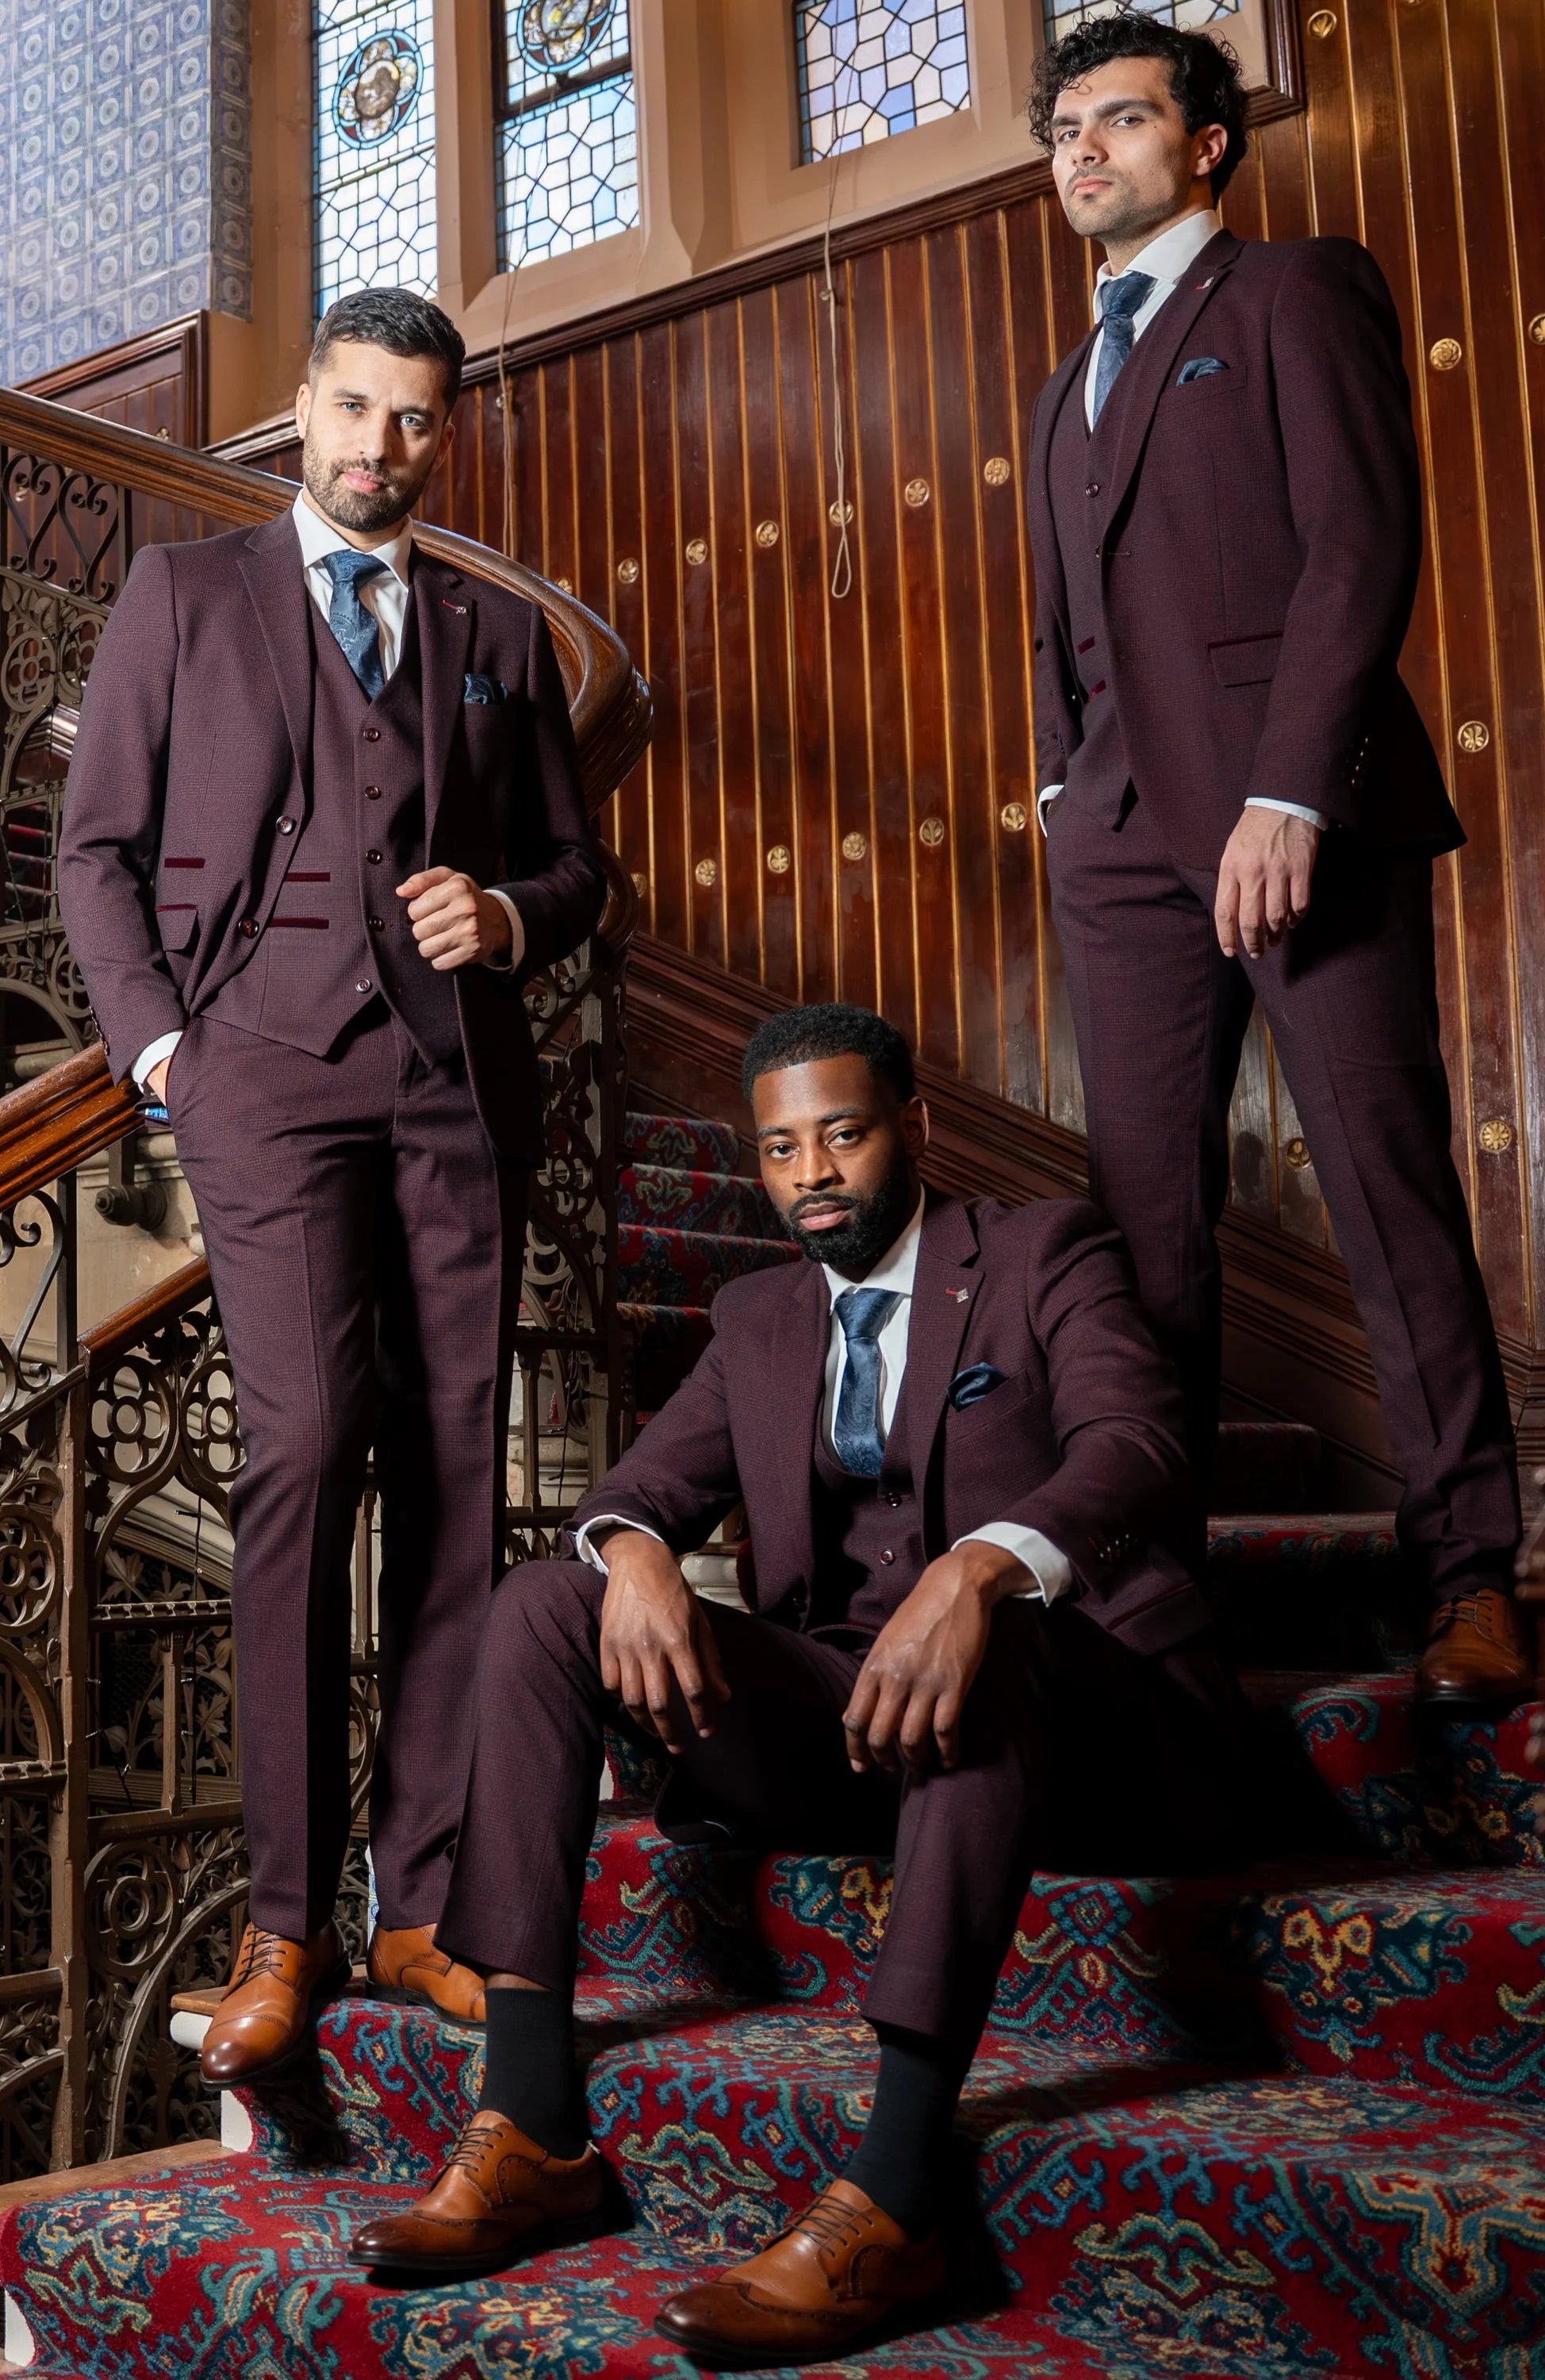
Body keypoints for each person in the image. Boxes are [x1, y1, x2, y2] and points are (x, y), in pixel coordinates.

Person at [349, 1002, 1250, 2362]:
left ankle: (893, 2195)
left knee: (977, 1638)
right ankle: (532, 2119)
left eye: (841, 1134)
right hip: (853, 1728)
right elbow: (640, 1487)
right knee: (548, 1598)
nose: (811, 1173)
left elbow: (1139, 1442)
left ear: (915, 1128)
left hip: (1083, 1719)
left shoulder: (1037, 1252)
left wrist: (981, 1572)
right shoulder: (761, 1313)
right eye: (780, 1150)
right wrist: (640, 1551)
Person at [58, 288, 605, 2083]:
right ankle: (285, 1920)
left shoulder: (493, 631)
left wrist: (511, 913)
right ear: (301, 407)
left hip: (452, 1084)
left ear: (449, 433)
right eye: (354, 408)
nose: (380, 446)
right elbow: (97, 855)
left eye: (416, 420)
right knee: (300, 1454)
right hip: (261, 1079)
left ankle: (421, 1902)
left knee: (461, 1473)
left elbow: (578, 871)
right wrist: (161, 1057)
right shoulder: (182, 595)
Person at [1026, 12, 1525, 1712]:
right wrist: (1055, 786)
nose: (1082, 151)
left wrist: (1290, 795)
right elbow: (1066, 628)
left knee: (1387, 1191)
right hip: (1116, 851)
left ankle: (1470, 1577)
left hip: (1293, 826)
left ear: (1206, 144)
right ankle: (1160, 1601)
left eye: (1120, 121)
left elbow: (1359, 543)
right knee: (1147, 1238)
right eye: (1063, 129)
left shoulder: (1295, 291)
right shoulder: (1061, 382)